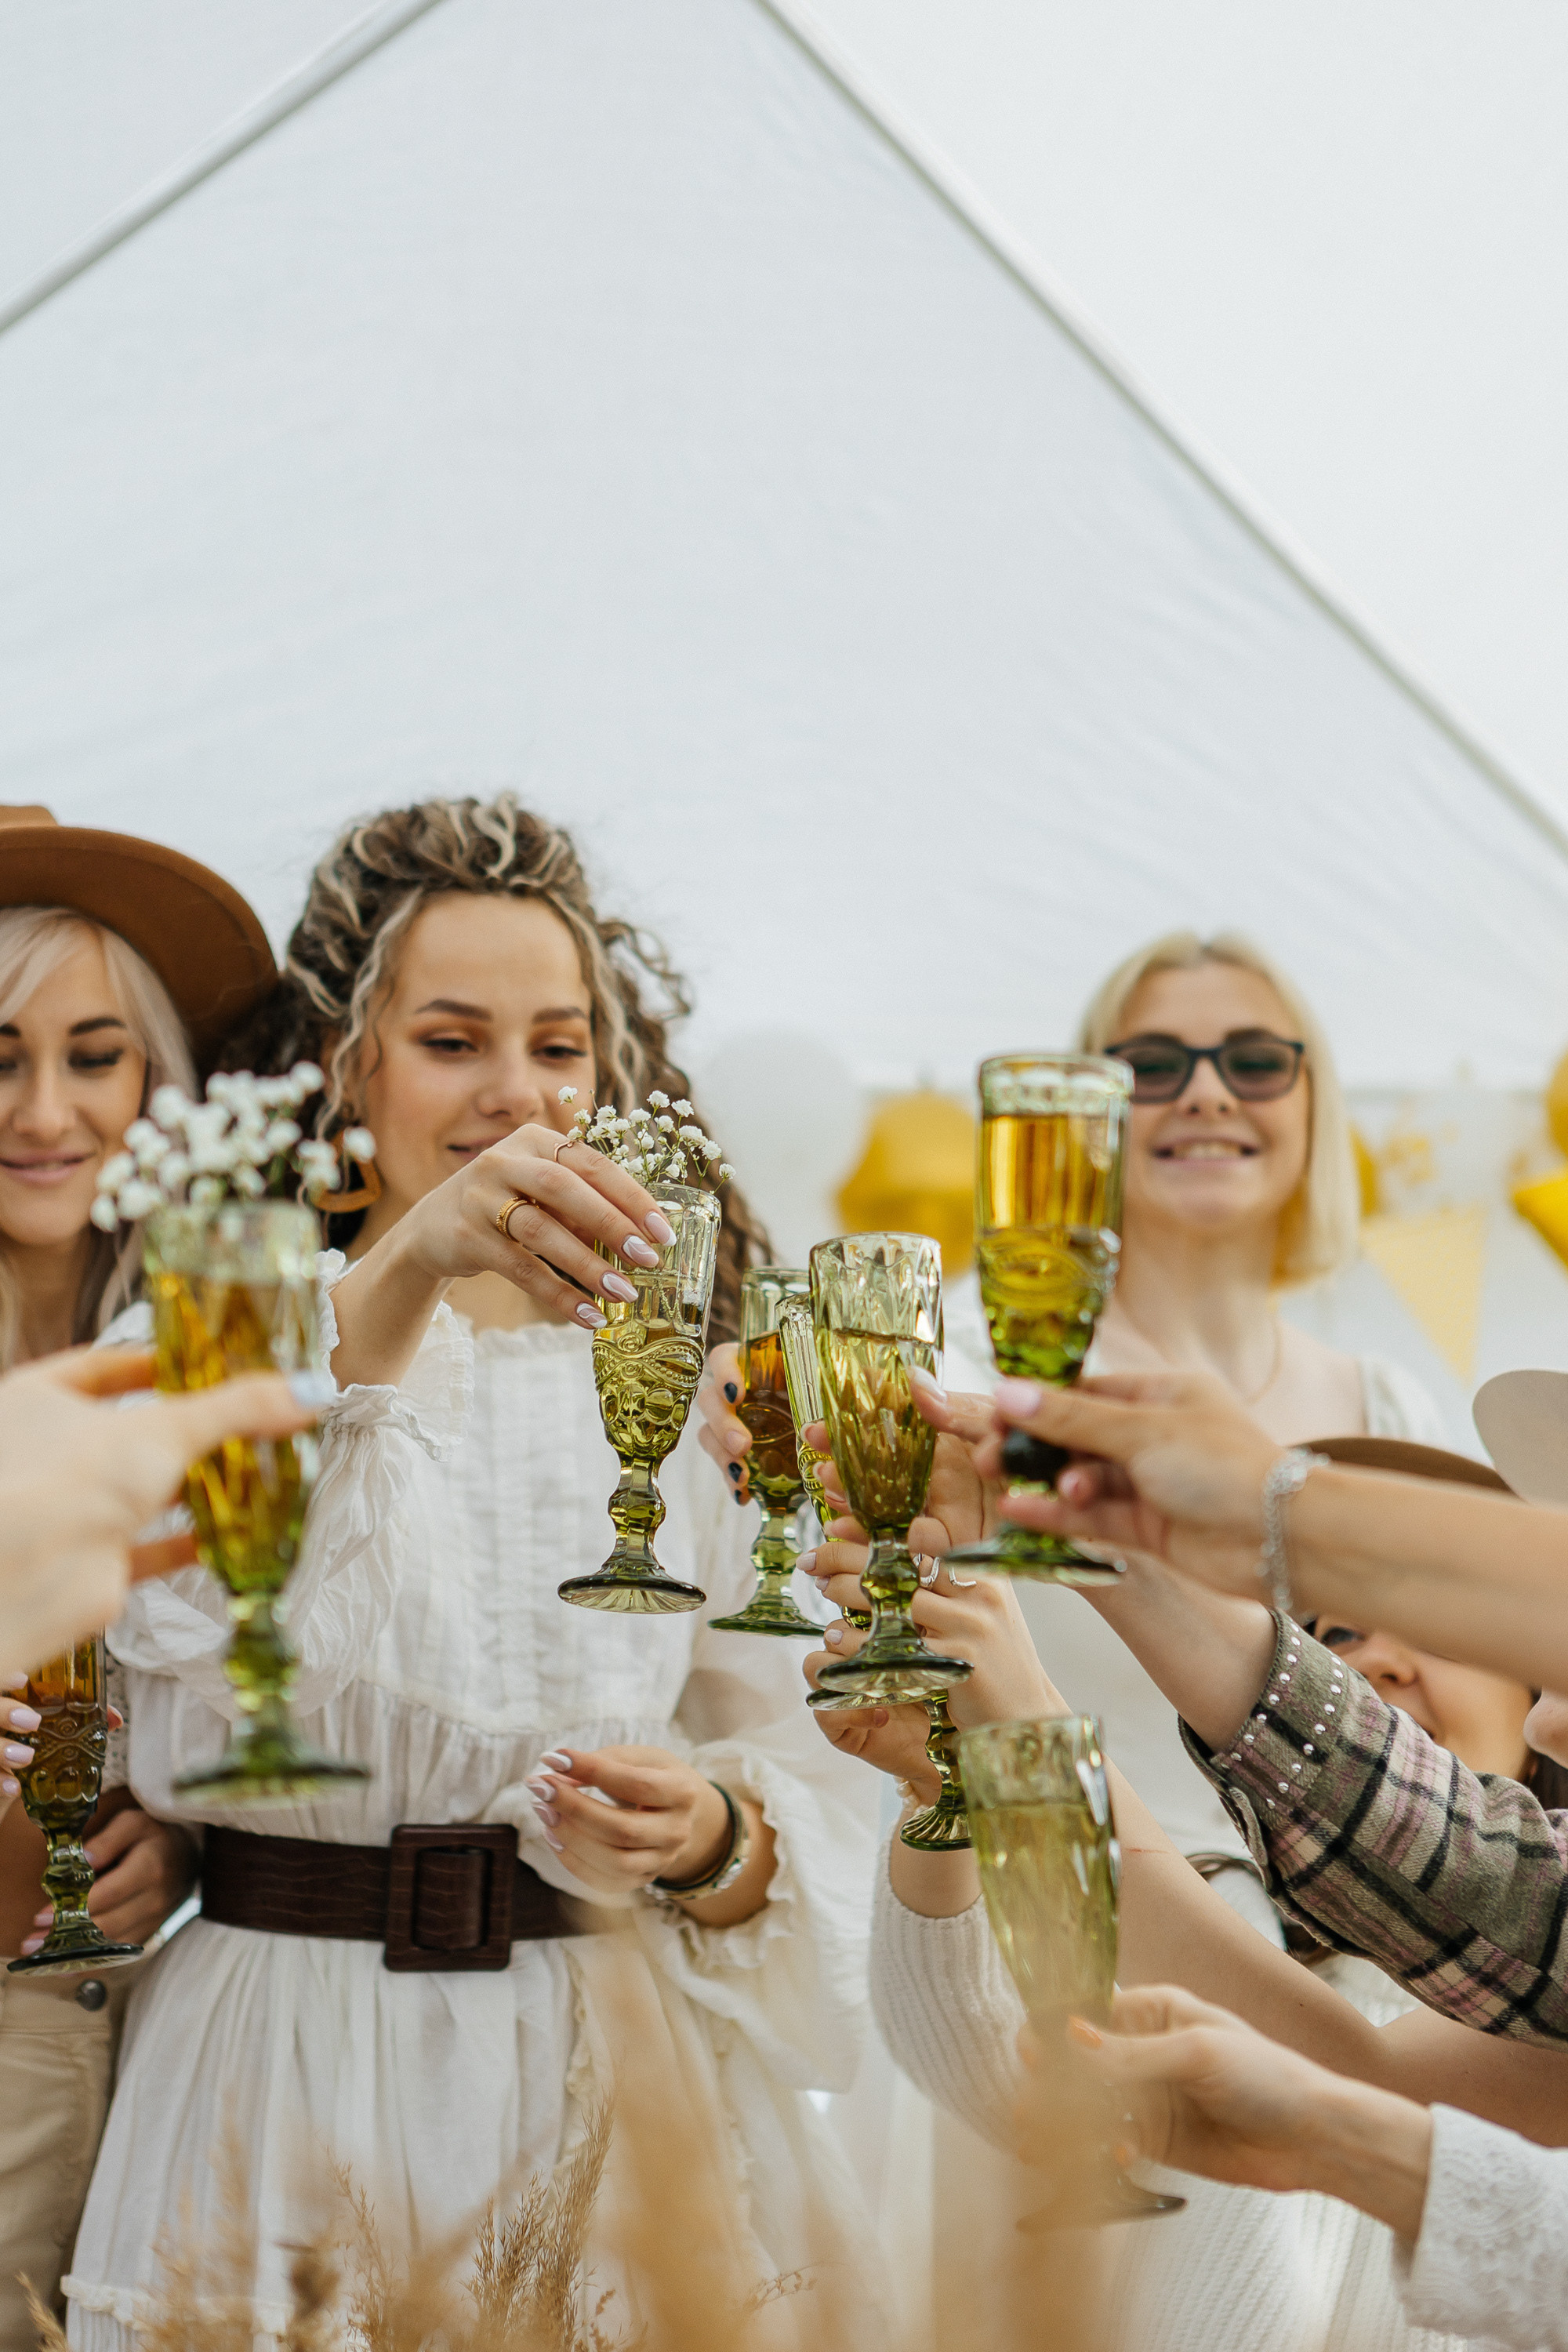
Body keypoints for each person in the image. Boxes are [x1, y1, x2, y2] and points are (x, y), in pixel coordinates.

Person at [66, 795, 881, 2352]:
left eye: (558, 1045)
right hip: (284, 2073)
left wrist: (715, 1836)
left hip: (617, 2083)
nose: (518, 1091)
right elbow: (202, 1623)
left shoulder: (691, 1383)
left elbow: (817, 1749)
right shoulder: (205, 1334)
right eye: (453, 1041)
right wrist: (418, 1258)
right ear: (345, 1065)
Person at [702, 930, 1456, 2347]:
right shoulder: (968, 1362)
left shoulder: (1392, 1402)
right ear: (1078, 1117)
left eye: (1255, 1059)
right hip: (1024, 1962)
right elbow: (865, 1604)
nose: (1207, 1092)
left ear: (1313, 1100)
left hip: (1335, 1986)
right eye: (1152, 1063)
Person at [0, 806, 277, 2346]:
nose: (46, 1111)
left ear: (155, 1082)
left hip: (169, 2071)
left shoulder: (211, 1351)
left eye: (93, 1055)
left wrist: (181, 1840)